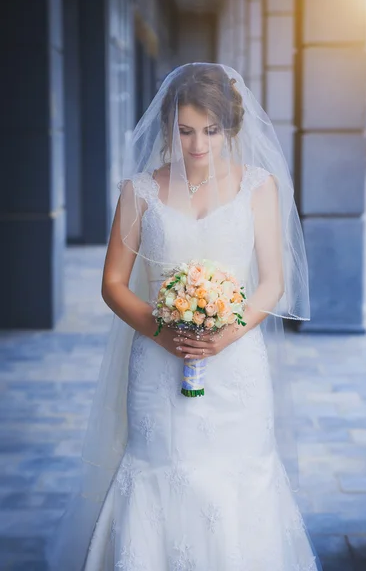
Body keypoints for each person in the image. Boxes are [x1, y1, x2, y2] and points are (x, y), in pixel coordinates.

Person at [47, 63, 321, 570]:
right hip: (156, 362)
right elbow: (111, 283)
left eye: (211, 131)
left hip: (236, 365)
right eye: (186, 130)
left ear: (231, 128)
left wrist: (227, 336)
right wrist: (160, 329)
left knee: (238, 475)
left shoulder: (258, 188)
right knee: (158, 471)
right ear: (168, 126)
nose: (198, 145)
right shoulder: (138, 192)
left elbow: (272, 283)